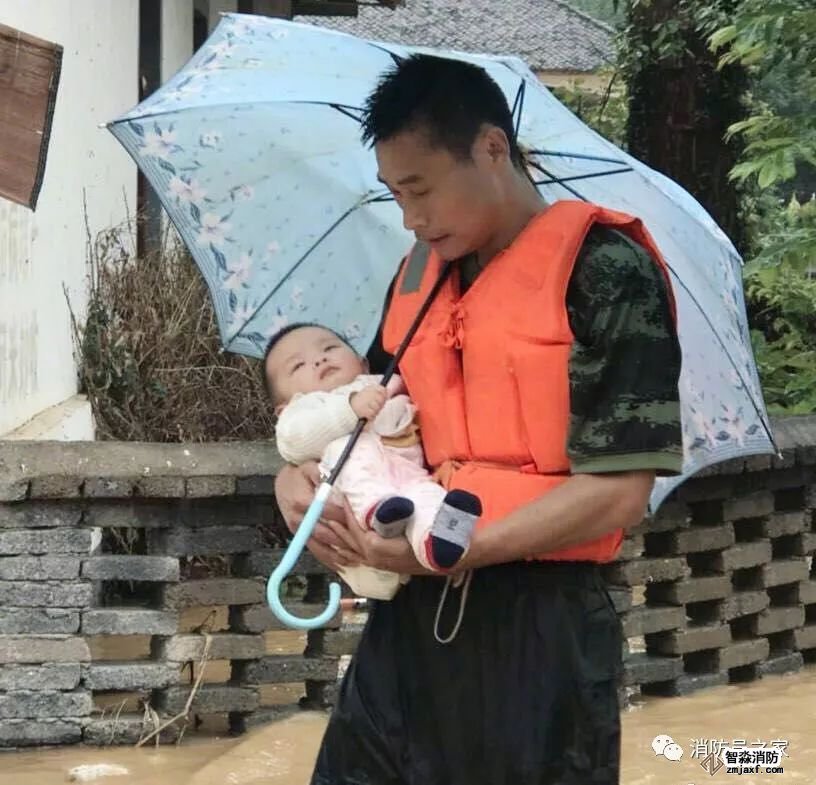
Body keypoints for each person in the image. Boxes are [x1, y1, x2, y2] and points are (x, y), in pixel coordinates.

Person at [275, 54, 683, 785]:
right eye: (395, 194)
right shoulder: (419, 279)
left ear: (493, 148)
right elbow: (366, 417)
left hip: (541, 633)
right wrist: (293, 479)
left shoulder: (607, 272)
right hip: (408, 624)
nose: (410, 217)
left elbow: (619, 491)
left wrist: (458, 550)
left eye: (421, 189)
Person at [263, 322, 482, 600]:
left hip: (406, 475)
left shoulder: (385, 384)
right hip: (354, 496)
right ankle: (380, 513)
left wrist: (395, 406)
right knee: (353, 461)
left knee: (426, 494)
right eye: (298, 366)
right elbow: (296, 441)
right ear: (282, 408)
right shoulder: (301, 411)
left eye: (329, 348)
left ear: (363, 363)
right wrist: (351, 409)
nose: (319, 360)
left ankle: (439, 540)